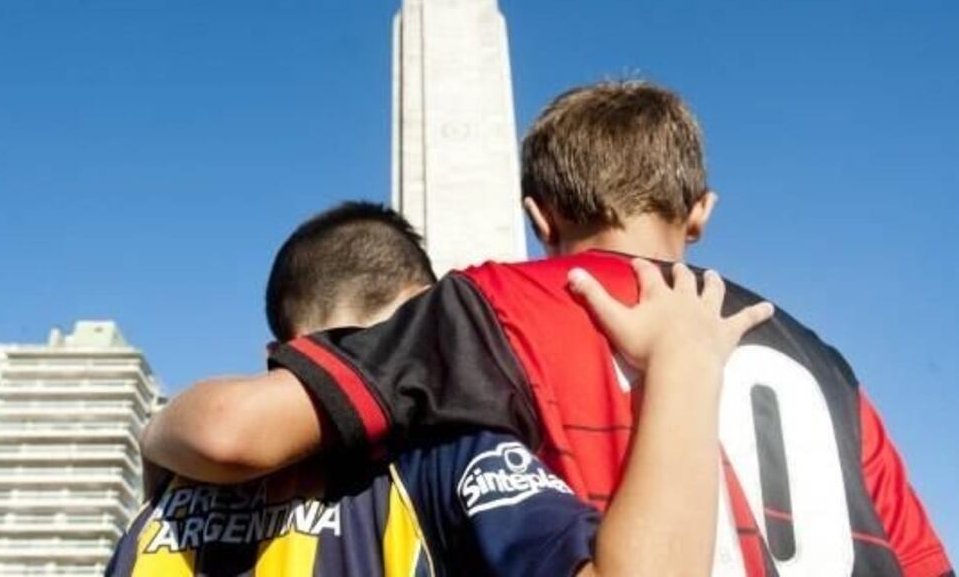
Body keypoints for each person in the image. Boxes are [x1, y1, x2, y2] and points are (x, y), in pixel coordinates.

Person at [144, 83, 952, 576]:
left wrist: (151, 437)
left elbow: (233, 433)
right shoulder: (823, 363)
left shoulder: (497, 303)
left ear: (537, 214)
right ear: (700, 214)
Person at [119, 200, 770, 576]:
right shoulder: (445, 453)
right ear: (426, 320)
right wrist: (685, 366)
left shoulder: (170, 498)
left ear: (277, 354)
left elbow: (221, 429)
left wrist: (158, 434)